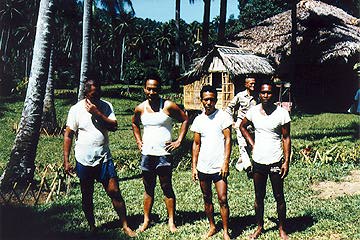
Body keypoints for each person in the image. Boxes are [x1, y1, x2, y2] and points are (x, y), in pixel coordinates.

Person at [63, 78, 135, 237]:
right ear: (85, 94)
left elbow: (114, 126)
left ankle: (125, 225)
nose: (96, 98)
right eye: (93, 95)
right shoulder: (75, 110)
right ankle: (92, 226)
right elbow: (68, 135)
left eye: (98, 94)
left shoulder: (106, 106)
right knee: (87, 195)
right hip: (83, 159)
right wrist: (66, 160)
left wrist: (97, 113)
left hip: (103, 157)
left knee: (114, 191)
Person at [131, 73, 189, 233]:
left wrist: (178, 141)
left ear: (159, 89)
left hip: (164, 154)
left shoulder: (168, 106)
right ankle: (146, 220)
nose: (151, 92)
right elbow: (134, 123)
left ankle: (171, 221)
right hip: (147, 154)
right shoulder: (140, 108)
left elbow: (185, 119)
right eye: (149, 89)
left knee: (166, 186)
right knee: (148, 187)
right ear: (144, 89)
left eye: (155, 89)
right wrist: (138, 141)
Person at [240, 81, 291, 240]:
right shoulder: (253, 111)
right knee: (259, 196)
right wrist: (252, 143)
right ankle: (259, 226)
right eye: (263, 92)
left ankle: (282, 228)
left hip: (275, 160)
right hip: (258, 161)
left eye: (269, 93)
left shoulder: (282, 113)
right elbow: (242, 126)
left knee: (279, 196)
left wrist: (286, 161)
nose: (266, 96)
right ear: (259, 94)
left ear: (273, 94)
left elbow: (286, 137)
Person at [191, 85, 232, 240]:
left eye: (212, 99)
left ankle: (226, 231)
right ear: (201, 100)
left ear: (216, 100)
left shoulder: (223, 117)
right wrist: (194, 167)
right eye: (206, 99)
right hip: (203, 166)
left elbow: (228, 140)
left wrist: (225, 162)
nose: (209, 102)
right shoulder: (198, 120)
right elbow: (196, 144)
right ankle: (212, 226)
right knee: (207, 198)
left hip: (218, 166)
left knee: (222, 198)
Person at [225, 77, 257, 173]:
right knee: (242, 145)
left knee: (249, 145)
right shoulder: (240, 96)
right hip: (240, 124)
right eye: (251, 84)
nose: (253, 85)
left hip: (252, 125)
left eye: (254, 83)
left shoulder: (257, 96)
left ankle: (239, 165)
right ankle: (248, 167)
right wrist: (232, 122)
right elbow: (229, 107)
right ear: (246, 85)